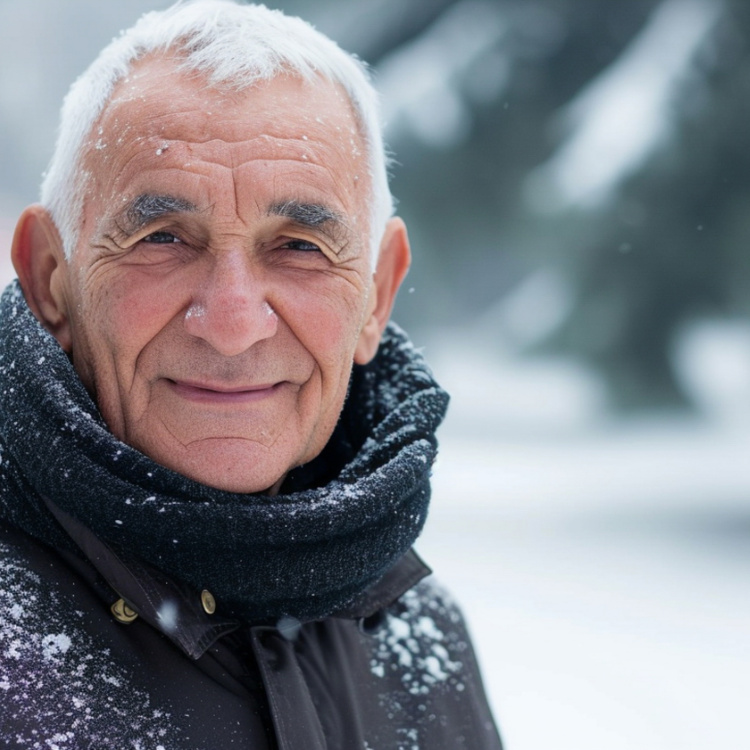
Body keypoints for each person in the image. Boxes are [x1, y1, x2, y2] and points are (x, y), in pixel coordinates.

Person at [0, 1, 502, 747]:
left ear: (377, 295)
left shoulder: (420, 635)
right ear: (51, 278)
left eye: (299, 246)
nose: (234, 324)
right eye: (163, 236)